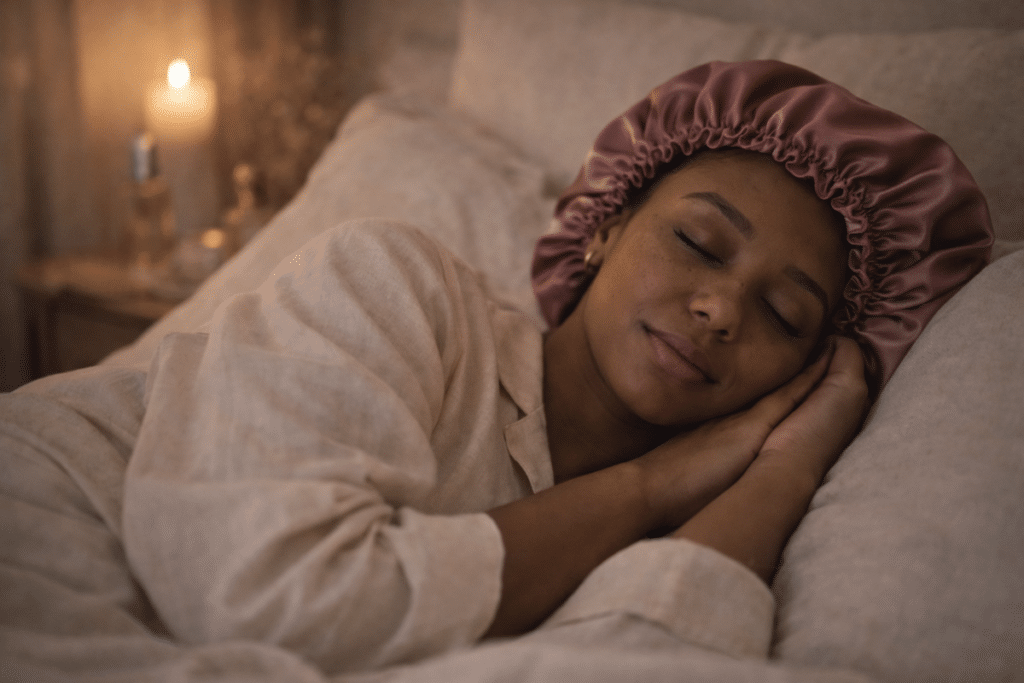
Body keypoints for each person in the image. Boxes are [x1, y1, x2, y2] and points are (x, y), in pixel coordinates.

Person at [0, 60, 991, 679]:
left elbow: (643, 657)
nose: (723, 309)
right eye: (696, 241)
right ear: (603, 229)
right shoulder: (393, 283)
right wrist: (650, 482)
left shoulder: (716, 507)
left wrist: (785, 464)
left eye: (784, 314)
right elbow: (272, 597)